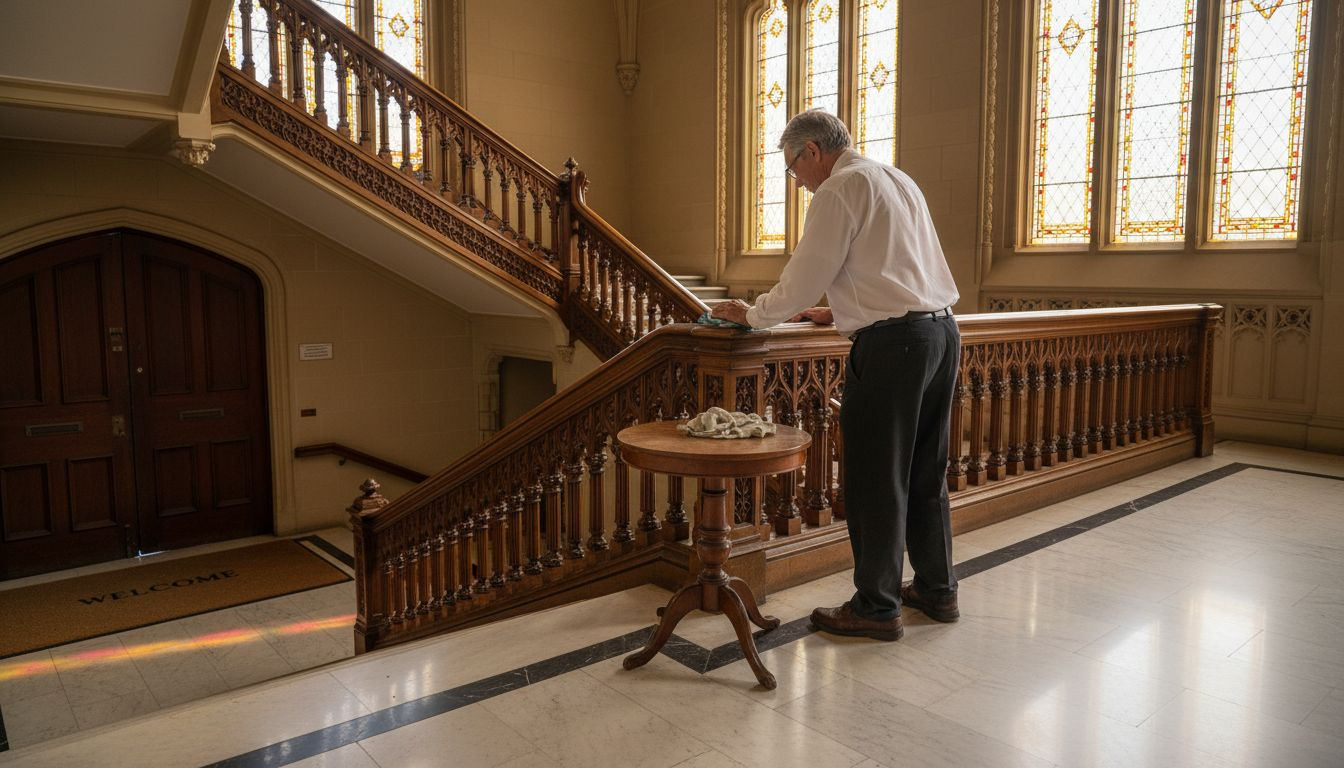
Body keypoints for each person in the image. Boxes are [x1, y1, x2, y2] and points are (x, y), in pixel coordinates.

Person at [711, 109, 961, 641]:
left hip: (894, 347)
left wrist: (753, 315)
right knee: (924, 472)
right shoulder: (895, 178)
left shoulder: (839, 188)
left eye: (792, 168)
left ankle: (876, 607)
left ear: (812, 152)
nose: (797, 182)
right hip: (940, 333)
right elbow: (897, 265)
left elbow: (805, 276)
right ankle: (937, 591)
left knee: (875, 478)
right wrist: (845, 309)